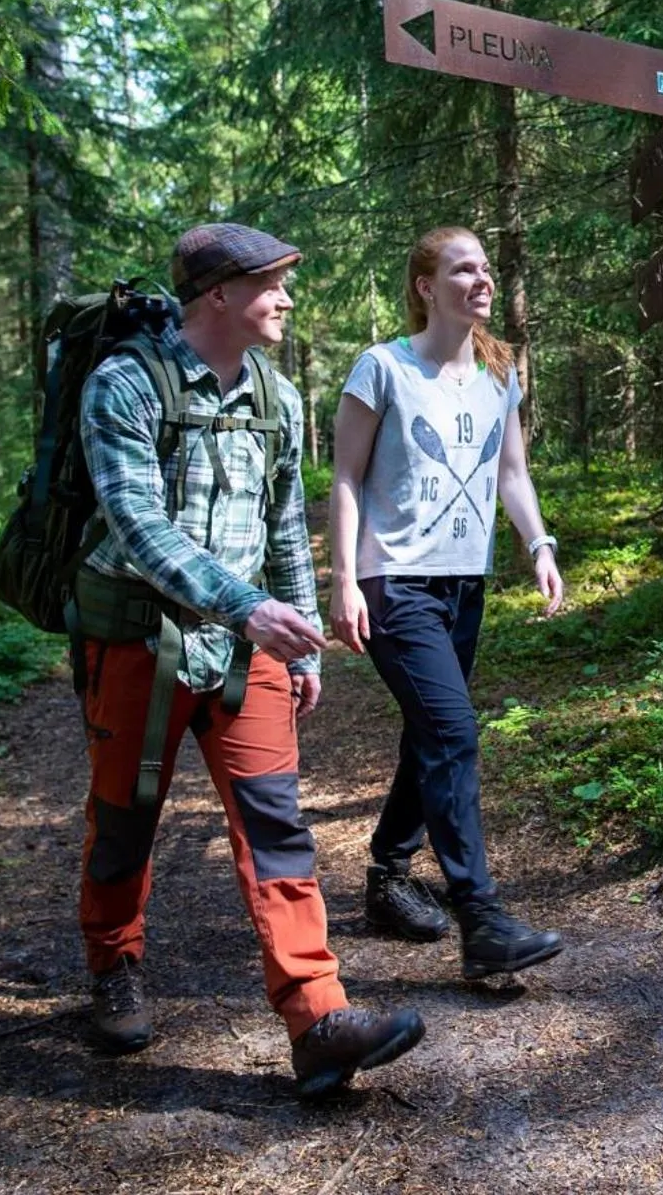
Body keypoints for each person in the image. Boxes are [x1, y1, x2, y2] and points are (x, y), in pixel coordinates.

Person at [74, 221, 423, 1097]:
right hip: (136, 642)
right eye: (271, 284)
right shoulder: (124, 383)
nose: (286, 298)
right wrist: (250, 606)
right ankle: (114, 964)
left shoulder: (277, 394)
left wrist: (299, 631)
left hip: (249, 646)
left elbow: (280, 528)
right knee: (125, 819)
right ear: (218, 295)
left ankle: (318, 1017)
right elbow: (137, 527)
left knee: (276, 823)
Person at [329, 225, 566, 981]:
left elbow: (512, 474)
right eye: (464, 269)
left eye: (486, 268)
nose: (482, 279)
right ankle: (482, 917)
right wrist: (341, 579)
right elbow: (345, 478)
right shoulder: (382, 369)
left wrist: (540, 546)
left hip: (466, 582)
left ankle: (388, 874)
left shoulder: (501, 373)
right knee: (453, 729)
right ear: (427, 286)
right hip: (394, 581)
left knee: (430, 732)